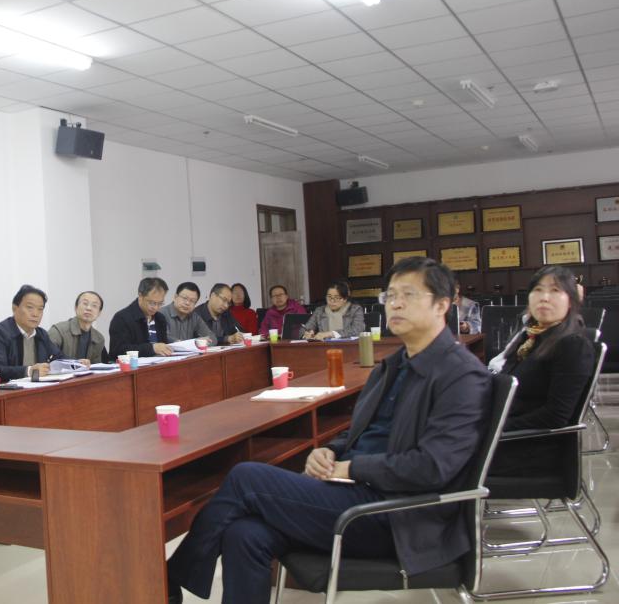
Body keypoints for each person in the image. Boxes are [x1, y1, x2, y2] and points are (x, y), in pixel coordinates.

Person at [166, 257, 492, 604]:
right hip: (357, 493)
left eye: (408, 295)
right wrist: (331, 450)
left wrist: (350, 467)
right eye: (390, 295)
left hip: (399, 515)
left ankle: (171, 580)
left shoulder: (461, 375)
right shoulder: (394, 364)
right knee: (244, 534)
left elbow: (432, 467)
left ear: (442, 305)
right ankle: (174, 580)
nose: (395, 304)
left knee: (246, 477)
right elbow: (361, 431)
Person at [488, 266, 595, 475]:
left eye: (555, 290)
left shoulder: (573, 345)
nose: (544, 297)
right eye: (537, 290)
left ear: (571, 301)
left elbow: (555, 416)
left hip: (529, 448)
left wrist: (492, 427)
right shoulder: (531, 336)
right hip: (505, 436)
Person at [0, 285, 64, 381]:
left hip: (40, 386)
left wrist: (76, 363)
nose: (35, 314)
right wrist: (28, 371)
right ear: (14, 308)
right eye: (30, 307)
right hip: (9, 388)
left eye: (40, 309)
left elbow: (59, 357)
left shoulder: (41, 334)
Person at [108, 277, 173, 359]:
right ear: (140, 296)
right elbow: (118, 351)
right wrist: (152, 348)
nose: (156, 307)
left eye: (160, 303)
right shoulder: (121, 318)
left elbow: (163, 346)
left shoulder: (160, 318)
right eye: (152, 303)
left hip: (159, 363)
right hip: (134, 365)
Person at [48, 291, 107, 364]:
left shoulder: (99, 338)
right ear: (76, 308)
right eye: (85, 303)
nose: (89, 308)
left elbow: (96, 366)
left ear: (99, 313)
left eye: (94, 305)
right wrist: (76, 362)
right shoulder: (58, 331)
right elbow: (49, 357)